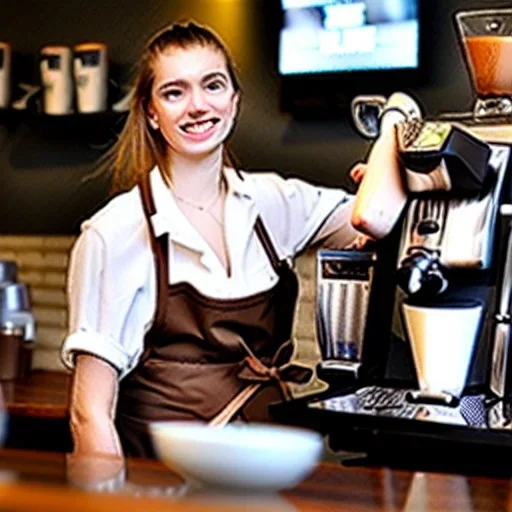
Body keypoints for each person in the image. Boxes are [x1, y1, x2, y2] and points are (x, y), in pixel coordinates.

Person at [61, 21, 408, 459]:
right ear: (150, 111)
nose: (198, 106)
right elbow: (89, 415)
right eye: (174, 92)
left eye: (213, 85)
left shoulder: (274, 202)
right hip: (166, 488)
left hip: (268, 473)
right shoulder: (114, 234)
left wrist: (389, 150)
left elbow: (379, 221)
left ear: (234, 98)